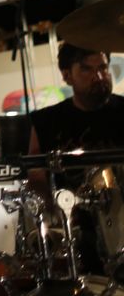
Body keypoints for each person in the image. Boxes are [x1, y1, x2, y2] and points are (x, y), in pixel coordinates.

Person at [29, 43, 124, 275]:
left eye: (102, 68)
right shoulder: (47, 122)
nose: (99, 76)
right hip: (76, 231)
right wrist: (52, 215)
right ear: (66, 75)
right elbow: (35, 174)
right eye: (86, 69)